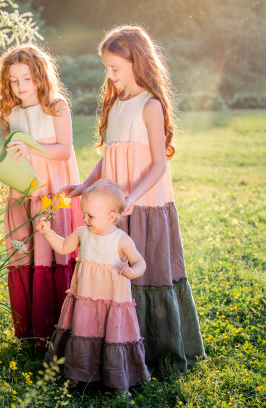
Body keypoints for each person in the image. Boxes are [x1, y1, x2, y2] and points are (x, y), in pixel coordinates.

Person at [62, 25, 205, 372]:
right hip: (115, 206)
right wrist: (85, 185)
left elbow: (159, 164)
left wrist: (132, 198)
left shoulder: (150, 106)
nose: (109, 76)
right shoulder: (116, 105)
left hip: (145, 204)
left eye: (115, 68)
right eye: (106, 68)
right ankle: (117, 345)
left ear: (136, 62)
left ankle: (155, 349)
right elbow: (109, 155)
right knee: (115, 274)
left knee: (143, 271)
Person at [0, 43, 83, 344]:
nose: (20, 86)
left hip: (51, 191)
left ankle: (58, 328)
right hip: (22, 192)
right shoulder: (10, 113)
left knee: (51, 252)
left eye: (27, 78)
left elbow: (64, 150)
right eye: (14, 80)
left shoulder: (55, 106)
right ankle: (31, 332)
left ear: (40, 76)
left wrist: (30, 146)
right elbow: (9, 154)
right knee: (25, 252)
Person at [39, 179, 151, 395]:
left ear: (111, 216)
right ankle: (77, 375)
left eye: (90, 215)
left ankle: (119, 383)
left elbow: (140, 262)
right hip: (86, 300)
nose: (85, 218)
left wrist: (133, 271)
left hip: (112, 303)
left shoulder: (121, 240)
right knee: (83, 333)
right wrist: (47, 232)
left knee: (113, 338)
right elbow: (63, 246)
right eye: (84, 213)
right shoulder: (83, 233)